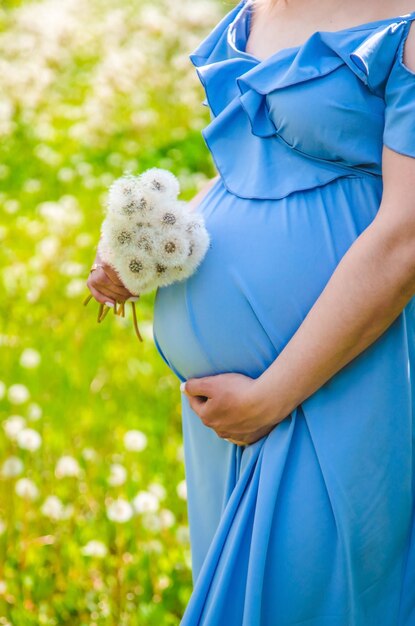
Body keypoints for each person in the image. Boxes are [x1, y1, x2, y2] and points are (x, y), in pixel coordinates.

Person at [88, 0, 415, 623]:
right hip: (230, 417)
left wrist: (271, 396)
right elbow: (250, 169)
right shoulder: (260, 8)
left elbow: (406, 235)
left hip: (334, 377)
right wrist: (147, 249)